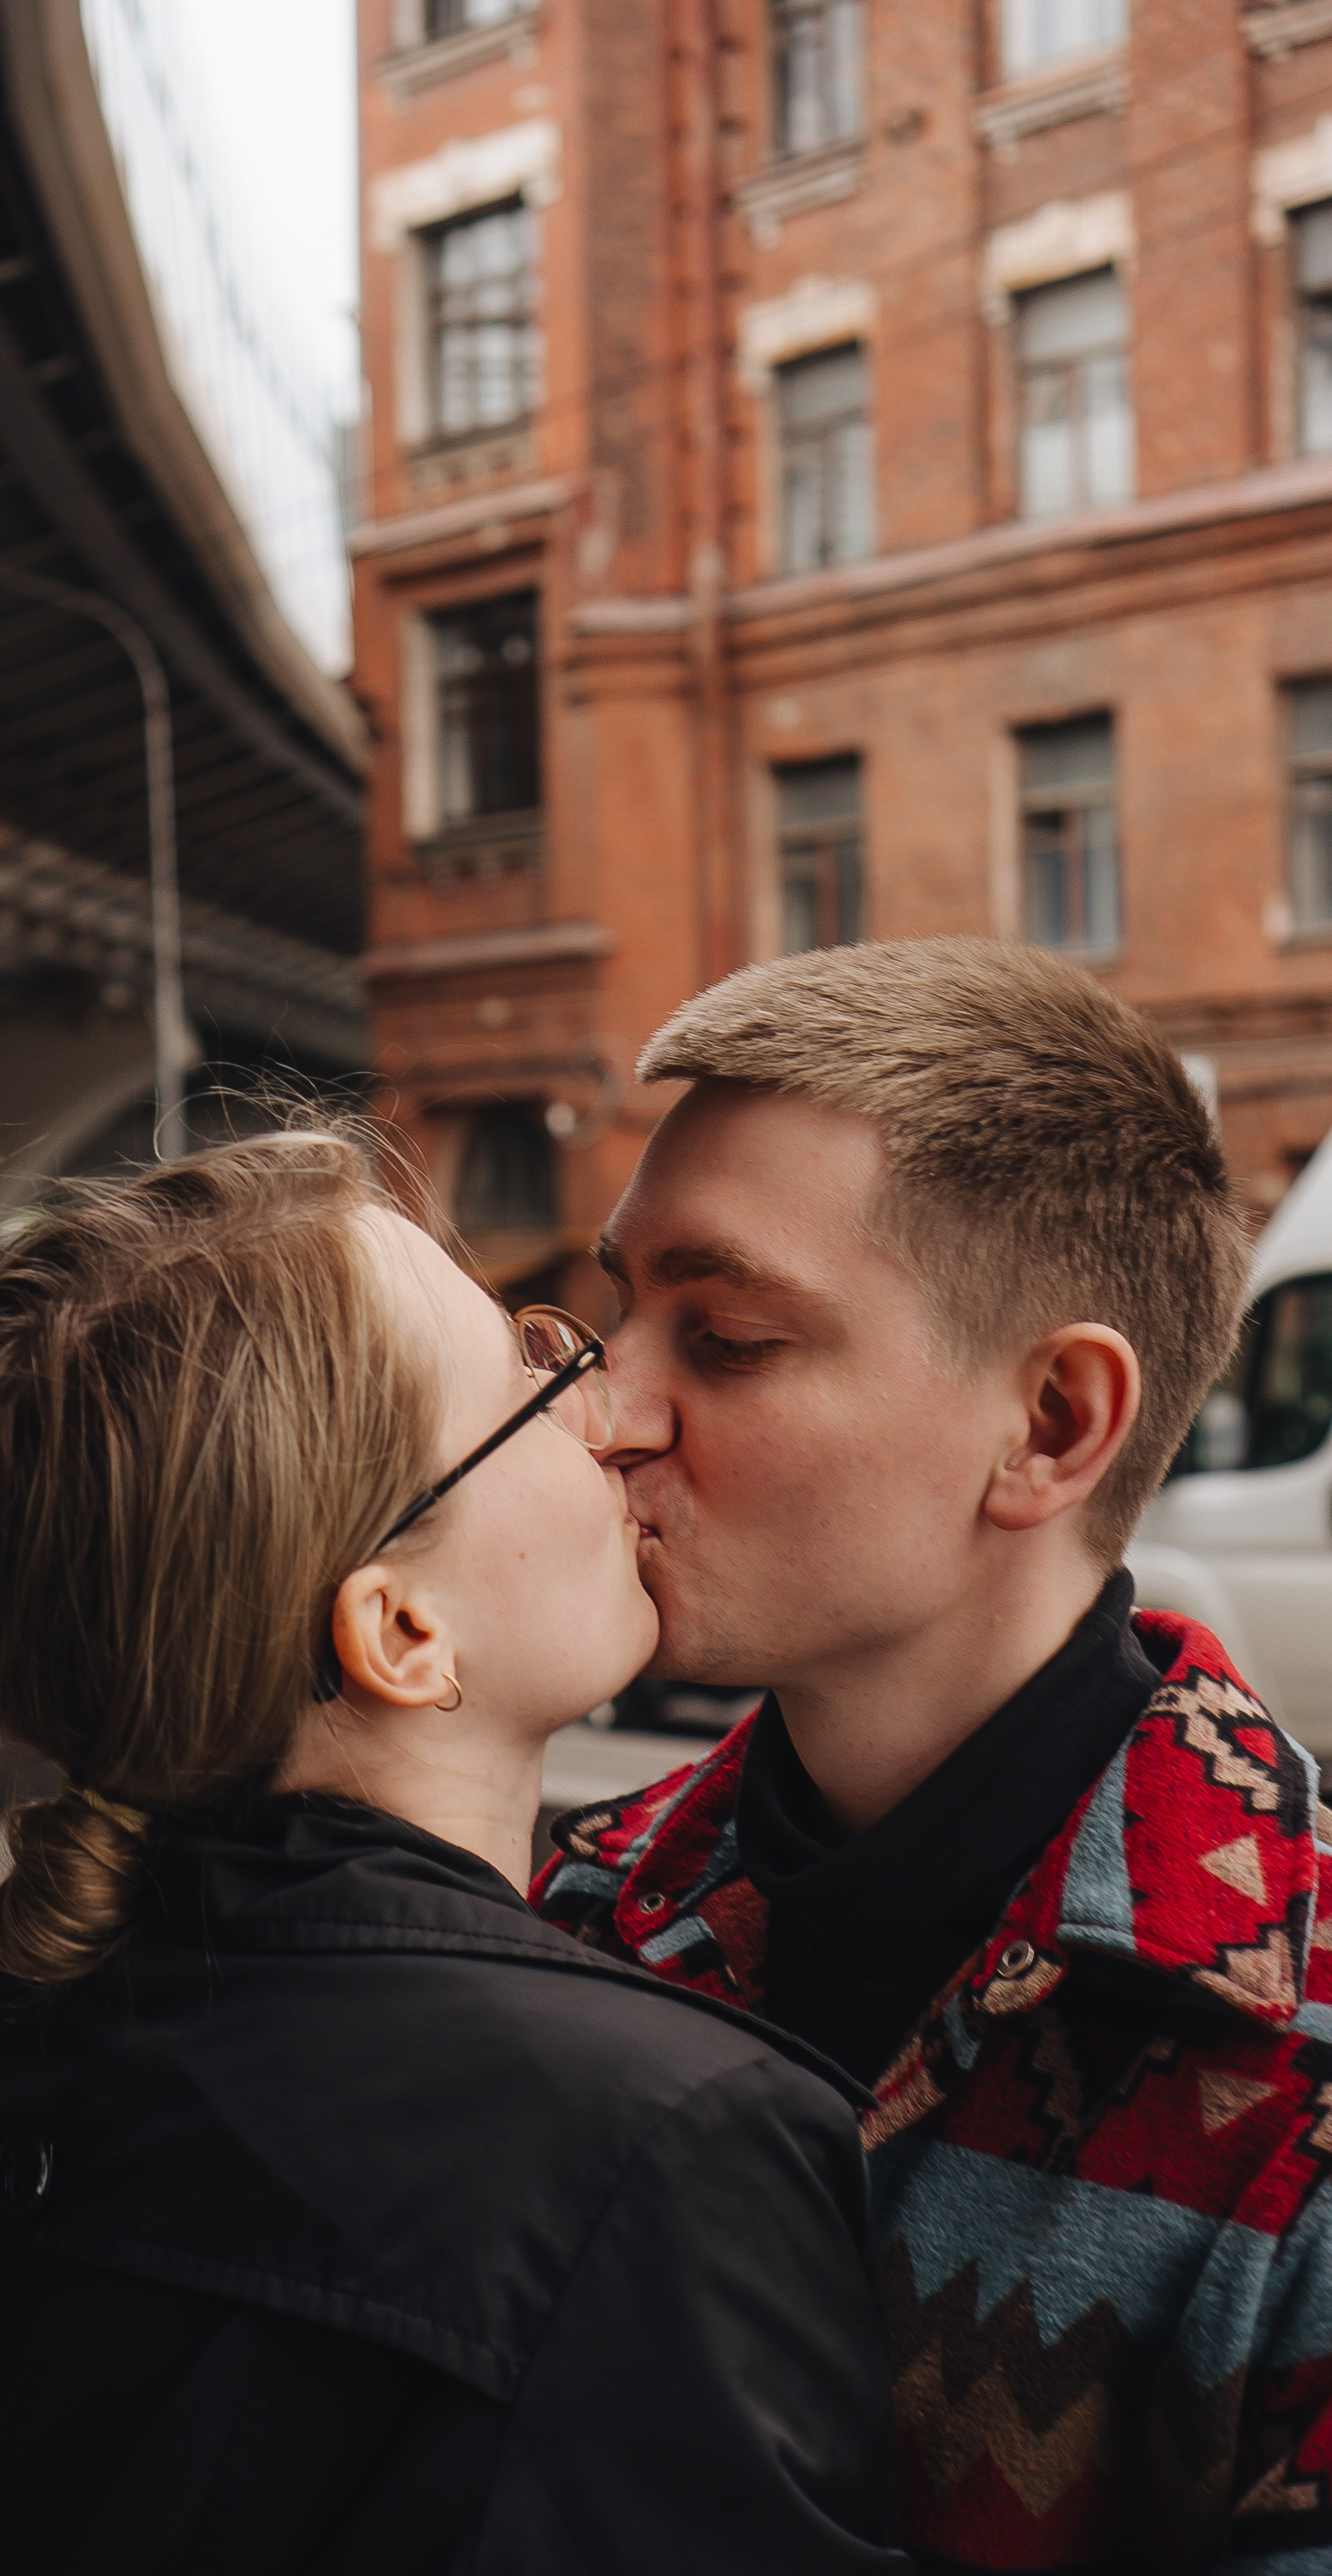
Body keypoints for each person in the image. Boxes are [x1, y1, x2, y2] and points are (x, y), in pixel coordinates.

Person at [0, 1130, 907, 2576]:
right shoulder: (666, 2142)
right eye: (530, 1381)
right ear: (401, 1632)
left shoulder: (33, 2026)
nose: (607, 1409)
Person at [533, 936, 1332, 2573]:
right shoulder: (560, 1908)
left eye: (728, 1338)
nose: (601, 1413)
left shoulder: (1296, 2079)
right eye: (621, 1314)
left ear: (1048, 1424)